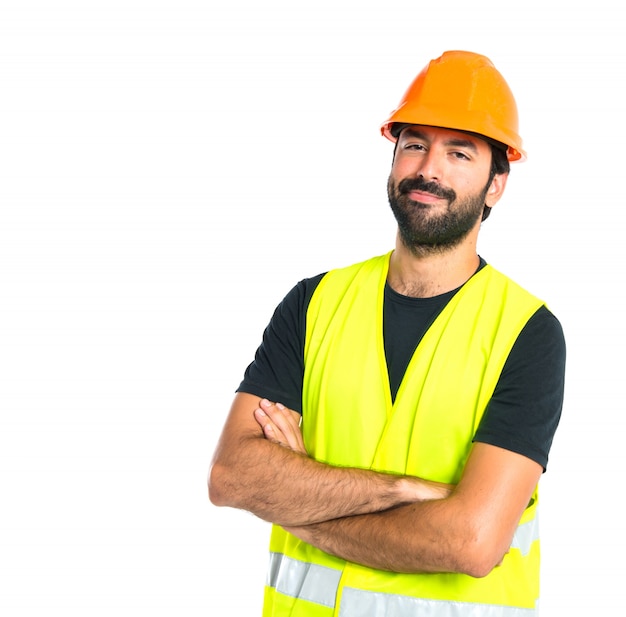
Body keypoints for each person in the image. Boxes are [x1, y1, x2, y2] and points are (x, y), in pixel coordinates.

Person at [208, 50, 566, 616]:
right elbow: (232, 476)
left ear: (497, 183)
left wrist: (297, 499)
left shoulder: (527, 333)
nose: (429, 169)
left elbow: (471, 541)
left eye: (459, 152)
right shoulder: (313, 303)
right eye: (415, 144)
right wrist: (399, 491)